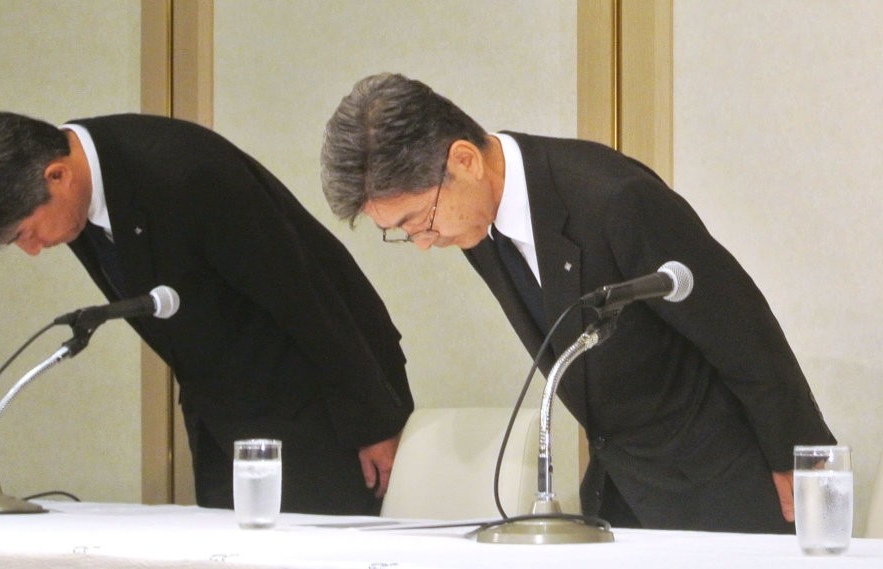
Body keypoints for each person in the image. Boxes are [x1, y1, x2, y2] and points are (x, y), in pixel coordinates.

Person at [319, 72, 835, 533]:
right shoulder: (477, 223)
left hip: (722, 483)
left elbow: (741, 325)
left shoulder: (612, 198)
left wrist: (800, 458)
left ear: (464, 160)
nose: (425, 242)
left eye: (419, 221)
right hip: (625, 485)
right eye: (403, 233)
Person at [0, 112, 413, 516]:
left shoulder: (183, 171)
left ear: (57, 175)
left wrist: (372, 421)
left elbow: (307, 295)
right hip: (228, 417)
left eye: (22, 234)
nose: (32, 250)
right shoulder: (80, 196)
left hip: (320, 408)